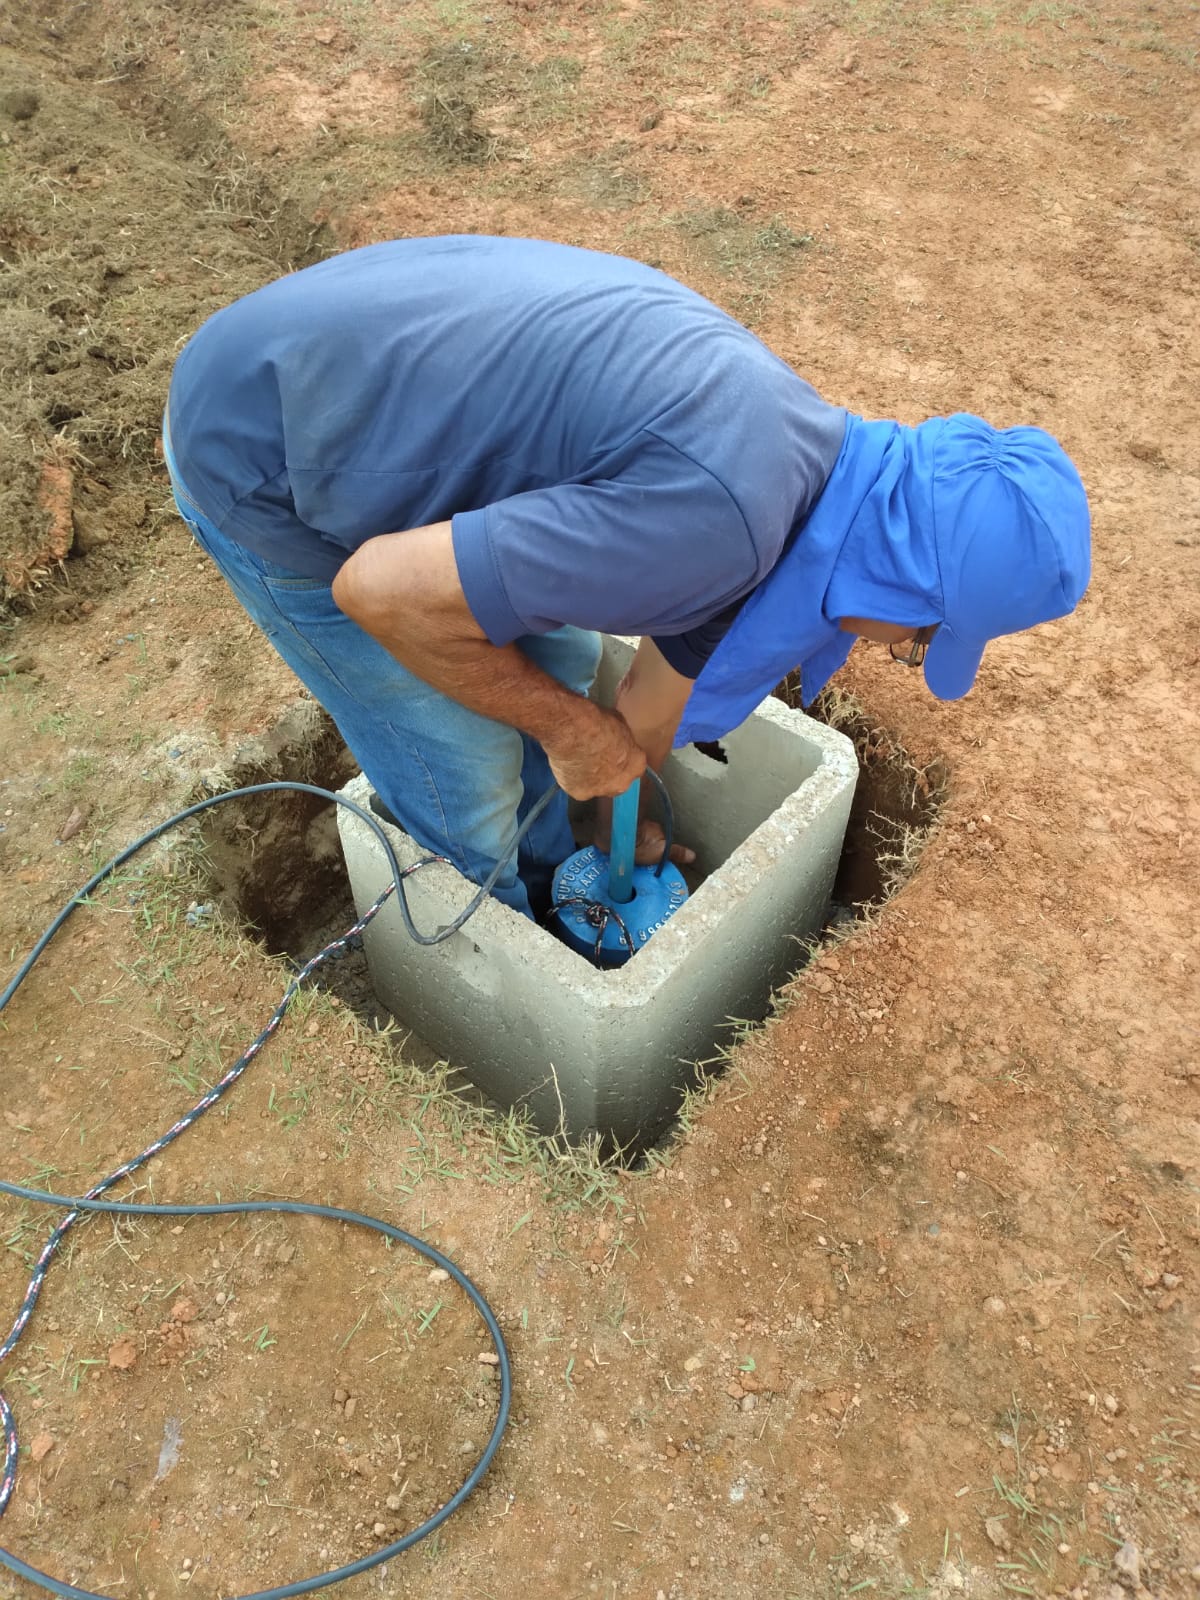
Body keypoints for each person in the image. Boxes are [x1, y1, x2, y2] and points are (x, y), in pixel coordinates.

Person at [164, 235, 1090, 920]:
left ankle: (539, 856)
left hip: (366, 398)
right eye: (924, 637)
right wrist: (572, 736)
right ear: (899, 590)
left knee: (553, 672)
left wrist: (622, 795)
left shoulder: (799, 472)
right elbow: (376, 592)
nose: (898, 652)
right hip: (265, 446)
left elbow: (647, 703)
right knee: (460, 769)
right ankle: (489, 937)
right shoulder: (715, 524)